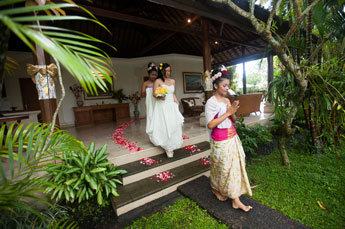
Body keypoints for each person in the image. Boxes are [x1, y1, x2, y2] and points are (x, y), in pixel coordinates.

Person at [205, 65, 253, 212]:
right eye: (224, 85)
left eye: (228, 85)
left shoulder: (226, 100)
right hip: (220, 140)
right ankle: (217, 189)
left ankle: (235, 199)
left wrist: (233, 110)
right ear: (215, 85)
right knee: (222, 169)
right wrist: (228, 113)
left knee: (234, 169)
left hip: (232, 137)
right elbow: (211, 124)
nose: (227, 88)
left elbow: (234, 119)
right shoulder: (211, 103)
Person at [148, 63, 184, 158]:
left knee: (173, 125)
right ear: (162, 71)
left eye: (169, 70)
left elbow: (172, 93)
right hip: (162, 106)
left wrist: (176, 102)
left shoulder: (173, 81)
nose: (168, 72)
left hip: (171, 105)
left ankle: (172, 143)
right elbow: (154, 94)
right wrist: (160, 96)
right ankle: (168, 147)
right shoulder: (157, 81)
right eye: (166, 70)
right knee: (165, 125)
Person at [141, 62, 158, 134]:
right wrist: (145, 91)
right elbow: (142, 95)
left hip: (157, 101)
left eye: (155, 75)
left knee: (158, 115)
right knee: (151, 114)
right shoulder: (145, 83)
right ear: (148, 75)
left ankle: (158, 130)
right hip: (150, 101)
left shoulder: (158, 82)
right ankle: (151, 130)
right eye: (152, 75)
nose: (154, 76)